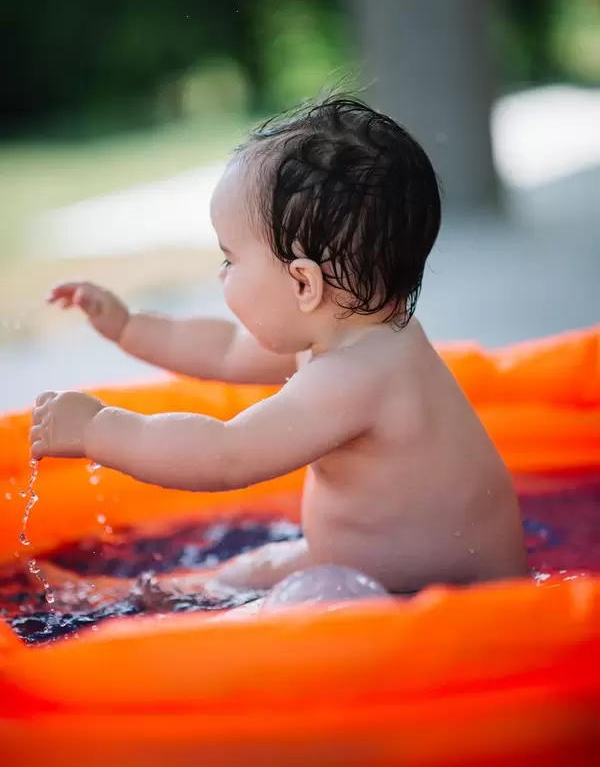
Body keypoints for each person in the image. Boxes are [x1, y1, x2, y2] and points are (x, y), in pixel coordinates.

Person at [30, 97, 528, 606]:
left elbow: (225, 455)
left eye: (230, 258)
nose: (221, 274)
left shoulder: (358, 377)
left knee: (300, 599)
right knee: (257, 569)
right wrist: (129, 326)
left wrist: (98, 431)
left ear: (303, 284)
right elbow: (225, 351)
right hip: (375, 571)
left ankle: (146, 612)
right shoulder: (348, 336)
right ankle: (136, 596)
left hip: (446, 605)